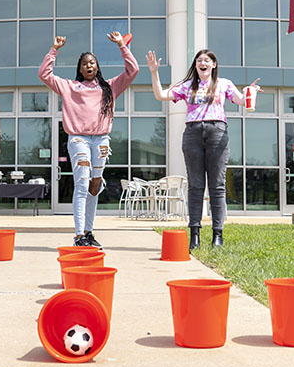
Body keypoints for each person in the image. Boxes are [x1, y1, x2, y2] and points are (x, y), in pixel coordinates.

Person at [146, 49, 260, 249]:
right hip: (193, 132)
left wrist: (251, 92)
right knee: (195, 186)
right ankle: (195, 235)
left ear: (214, 64)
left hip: (217, 131)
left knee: (217, 186)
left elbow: (242, 101)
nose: (203, 63)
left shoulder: (224, 84)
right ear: (196, 65)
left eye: (207, 60)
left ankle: (218, 235)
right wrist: (154, 72)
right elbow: (161, 95)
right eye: (199, 60)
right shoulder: (187, 85)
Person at [39, 32, 139, 248]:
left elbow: (133, 70)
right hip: (79, 140)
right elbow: (44, 75)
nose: (89, 66)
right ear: (80, 68)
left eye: (92, 62)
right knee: (82, 183)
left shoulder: (109, 88)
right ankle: (78, 236)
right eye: (84, 63)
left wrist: (122, 45)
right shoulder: (70, 87)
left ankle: (89, 232)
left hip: (101, 141)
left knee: (95, 186)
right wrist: (54, 50)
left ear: (97, 66)